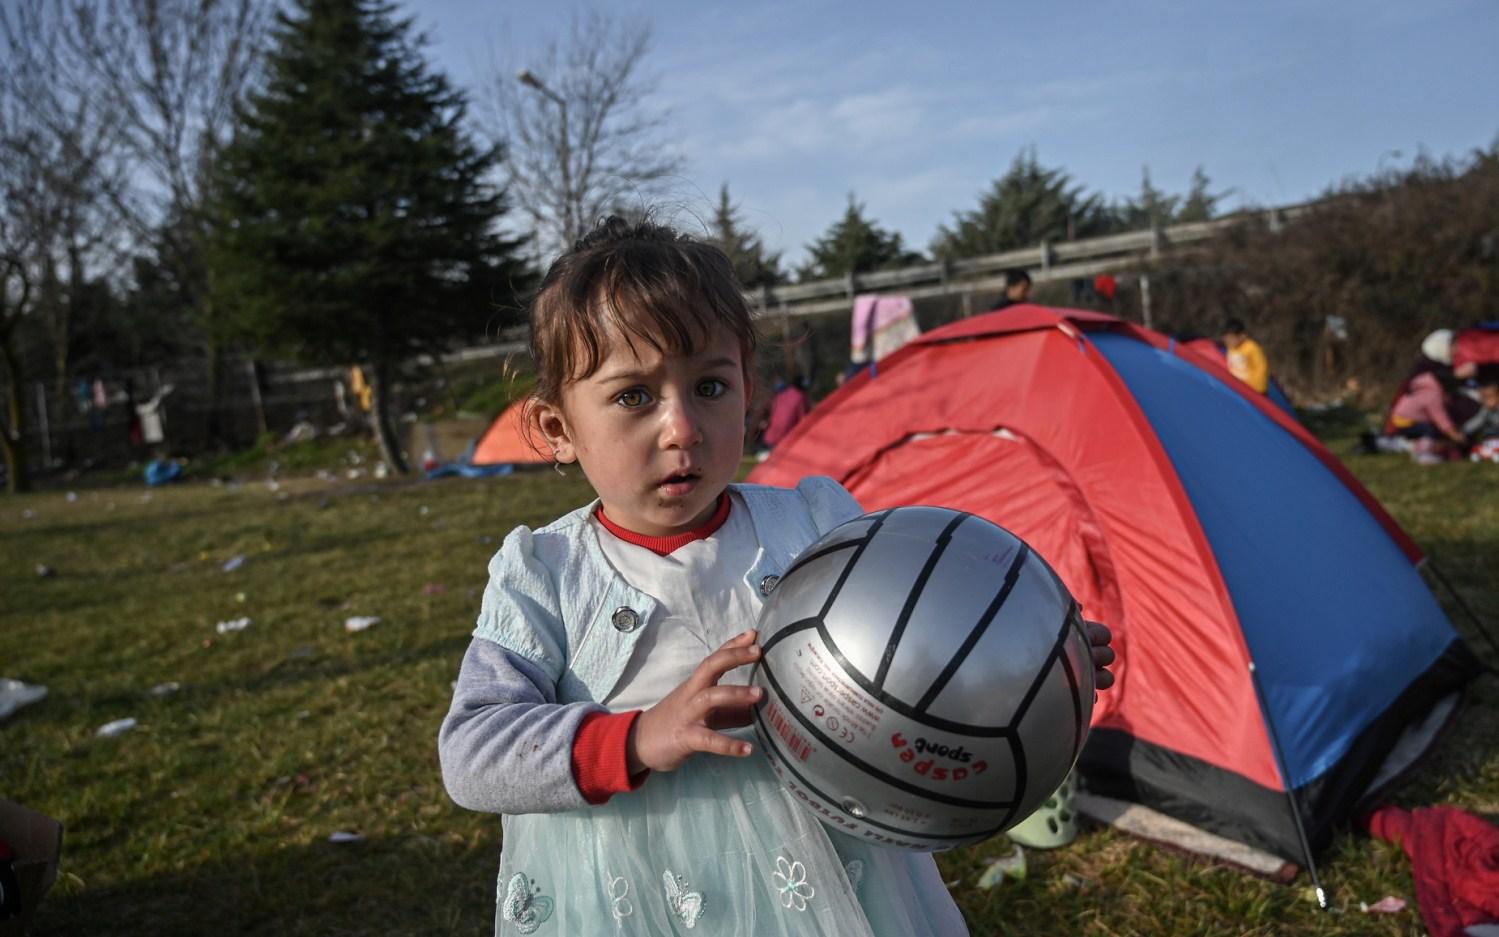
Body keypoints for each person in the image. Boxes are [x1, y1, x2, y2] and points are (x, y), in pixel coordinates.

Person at [438, 217, 1116, 936]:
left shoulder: (813, 525)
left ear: (748, 389)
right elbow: (472, 755)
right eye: (633, 396)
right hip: (633, 896)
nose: (681, 427)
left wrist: (1026, 666)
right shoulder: (543, 573)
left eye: (708, 386)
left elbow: (913, 641)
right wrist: (634, 737)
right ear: (555, 428)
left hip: (831, 874)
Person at [759, 375, 810, 455]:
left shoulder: (781, 395)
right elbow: (804, 419)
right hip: (786, 438)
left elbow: (771, 411)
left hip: (770, 436)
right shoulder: (801, 398)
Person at [1222, 318, 1269, 394]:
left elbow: (1261, 368)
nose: (1228, 341)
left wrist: (1257, 388)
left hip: (1254, 389)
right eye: (1226, 338)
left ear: (1242, 336)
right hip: (1239, 387)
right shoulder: (1231, 349)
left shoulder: (1251, 348)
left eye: (1231, 338)